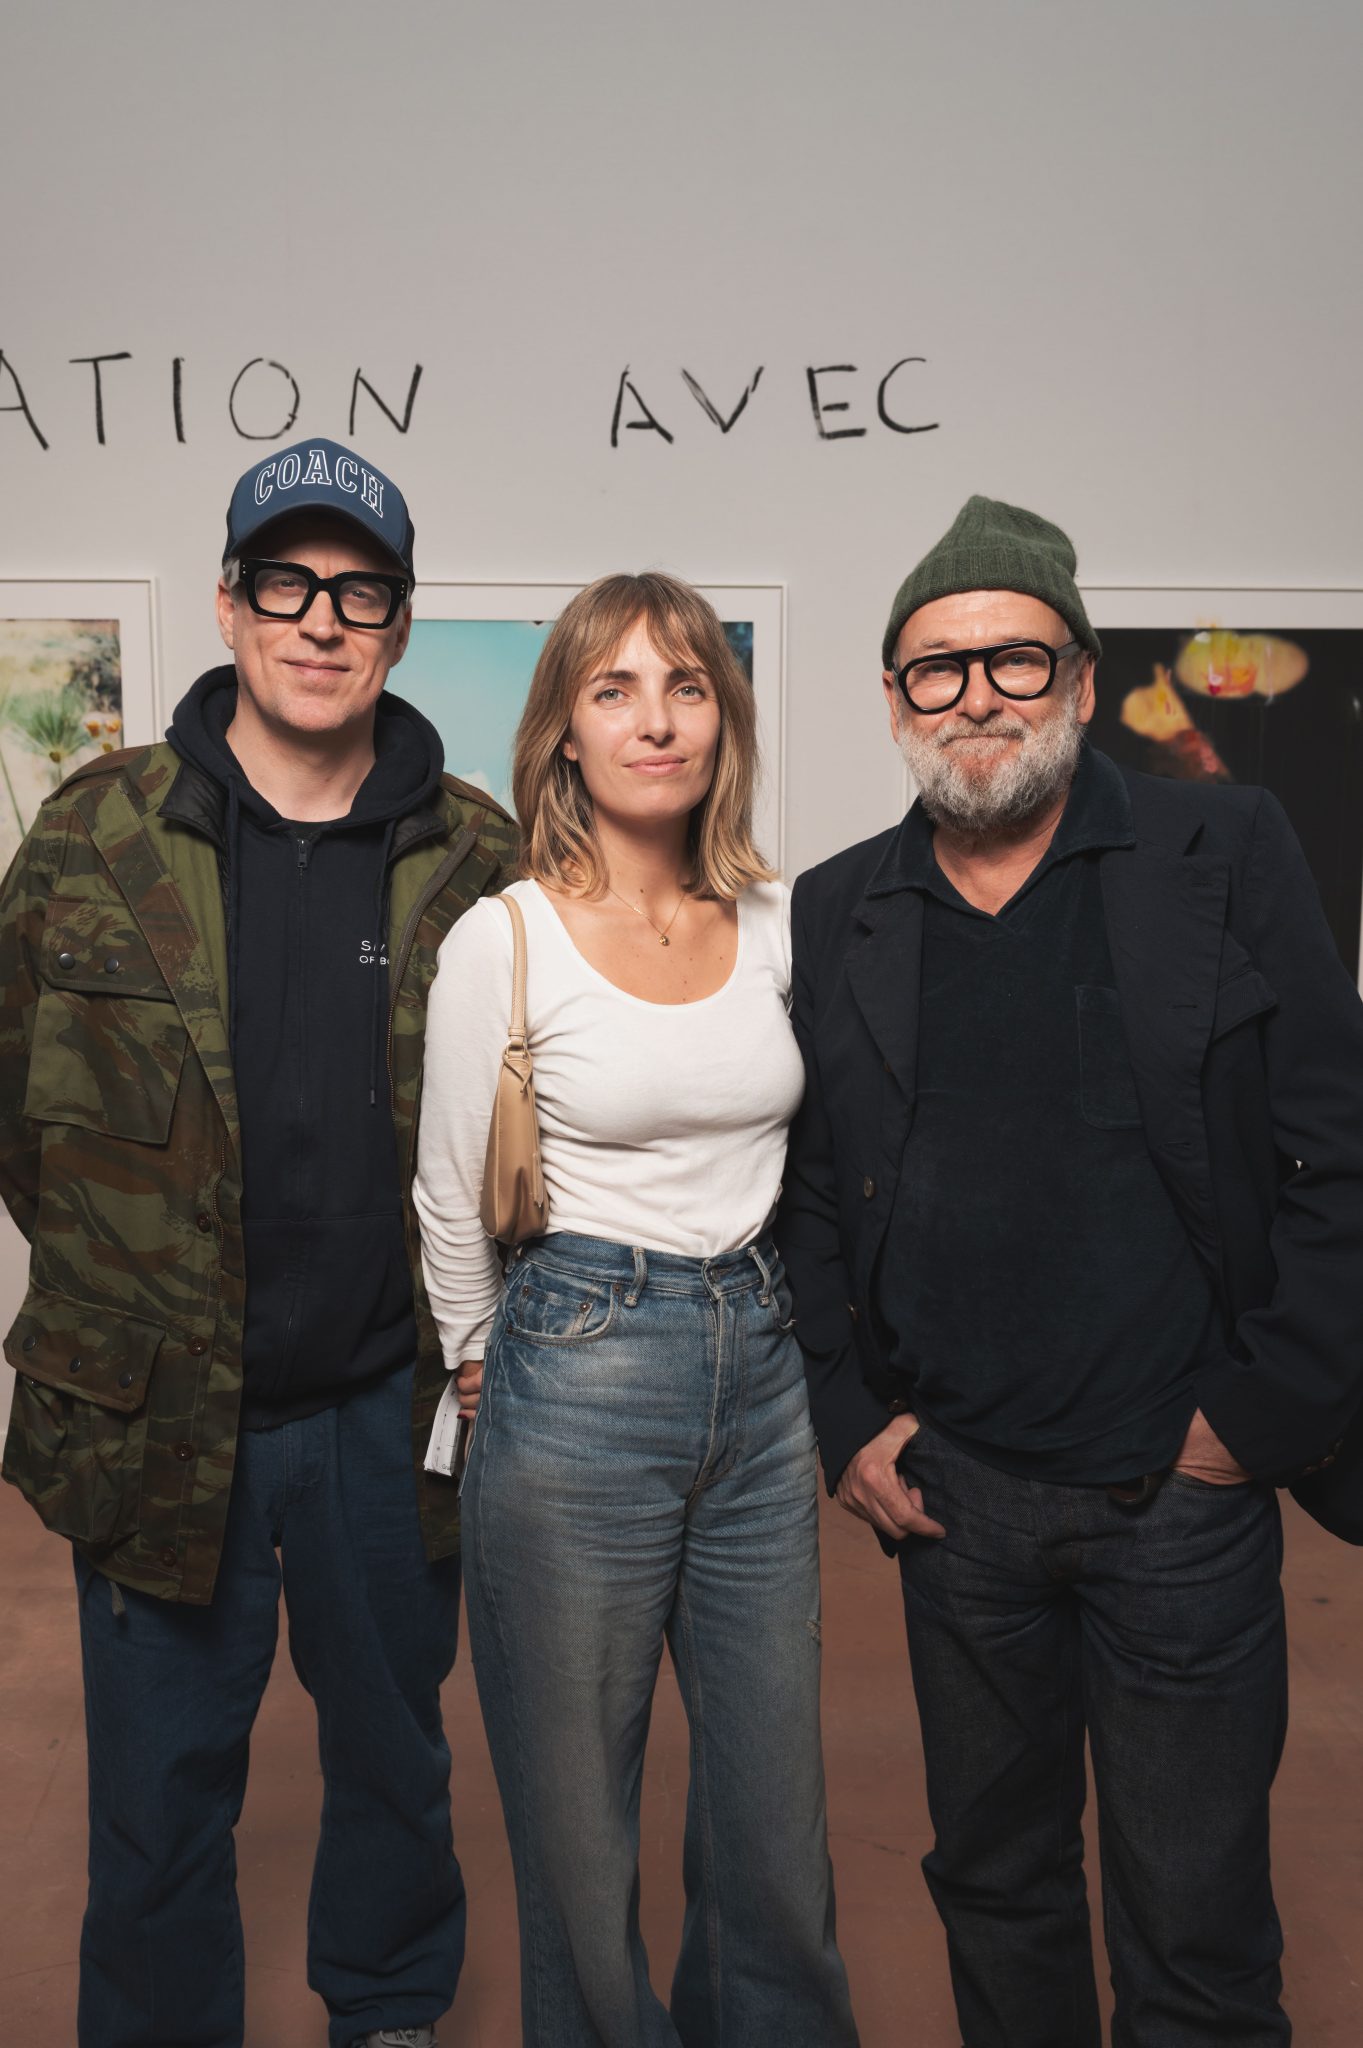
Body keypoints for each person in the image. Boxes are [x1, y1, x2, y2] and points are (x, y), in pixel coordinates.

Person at [778, 495, 1363, 2046]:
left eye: (1015, 661)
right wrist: (850, 1423)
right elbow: (813, 1192)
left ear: (1083, 680)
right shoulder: (840, 906)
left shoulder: (1223, 847)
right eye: (937, 669)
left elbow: (1339, 1145)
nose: (976, 696)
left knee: (1195, 1924)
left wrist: (1261, 1413)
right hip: (955, 1506)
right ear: (894, 699)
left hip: (1178, 1496)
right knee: (997, 1888)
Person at [0, 437, 517, 2048]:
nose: (321, 621)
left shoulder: (483, 857)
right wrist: (140, 1282)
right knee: (157, 1801)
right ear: (230, 606)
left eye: (359, 592)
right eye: (287, 584)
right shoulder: (94, 833)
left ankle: (389, 2013)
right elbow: (19, 1113)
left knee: (397, 1764)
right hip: (162, 1414)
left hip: (386, 1408)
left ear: (400, 625)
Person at [413, 572, 858, 2048]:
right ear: (565, 732)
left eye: (686, 686)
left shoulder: (779, 921)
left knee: (773, 1813)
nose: (655, 720)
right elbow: (446, 1196)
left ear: (723, 722)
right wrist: (484, 1375)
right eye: (614, 690)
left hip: (761, 1371)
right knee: (577, 1820)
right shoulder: (508, 937)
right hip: (578, 1368)